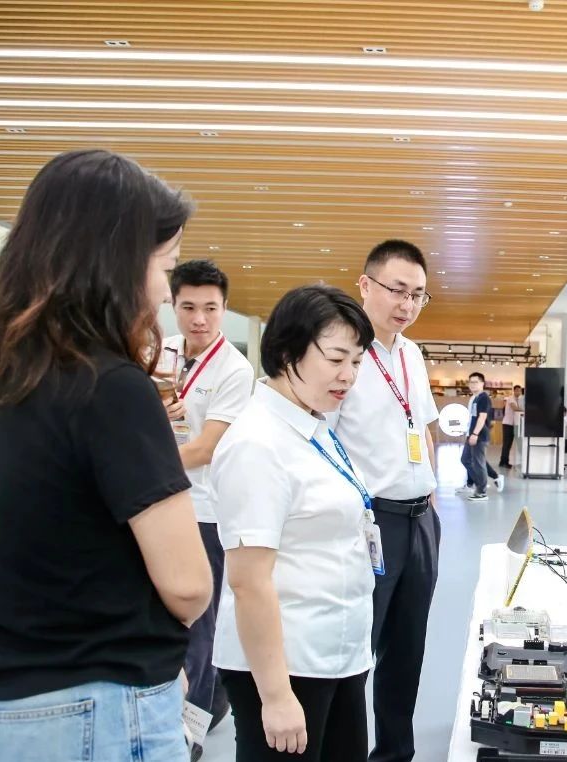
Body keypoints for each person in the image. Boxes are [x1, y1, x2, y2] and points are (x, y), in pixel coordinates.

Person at [0, 148, 212, 760]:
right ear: (117, 263)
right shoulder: (113, 387)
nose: (164, 292)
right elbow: (188, 586)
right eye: (165, 266)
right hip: (96, 709)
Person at [211, 284, 376, 761]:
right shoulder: (257, 444)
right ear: (287, 353)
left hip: (336, 653)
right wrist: (277, 696)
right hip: (287, 666)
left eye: (357, 361)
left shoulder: (312, 425)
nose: (348, 375)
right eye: (336, 358)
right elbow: (249, 582)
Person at [332, 240, 441, 762]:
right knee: (358, 650)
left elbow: (423, 428)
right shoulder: (343, 353)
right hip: (371, 521)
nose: (407, 304)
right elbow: (323, 441)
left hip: (421, 521)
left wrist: (432, 498)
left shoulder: (412, 353)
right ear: (365, 285)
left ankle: (396, 753)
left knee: (406, 650)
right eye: (397, 290)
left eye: (418, 294)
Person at [160, 259, 254, 754]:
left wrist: (143, 462)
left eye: (211, 308)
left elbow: (206, 448)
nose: (199, 319)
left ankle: (190, 731)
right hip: (160, 505)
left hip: (205, 511)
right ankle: (213, 699)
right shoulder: (159, 352)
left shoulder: (235, 370)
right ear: (173, 305)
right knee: (165, 616)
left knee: (200, 623)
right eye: (189, 307)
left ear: (225, 308)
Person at [459, 372, 494, 501]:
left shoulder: (484, 398)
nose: (472, 385)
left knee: (479, 463)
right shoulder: (475, 398)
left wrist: (475, 434)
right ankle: (479, 484)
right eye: (471, 382)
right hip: (472, 435)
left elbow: (482, 417)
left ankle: (482, 492)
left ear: (482, 383)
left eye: (476, 382)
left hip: (479, 436)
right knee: (465, 459)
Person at [498, 384, 523, 468]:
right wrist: (526, 410)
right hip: (507, 424)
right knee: (507, 444)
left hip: (513, 424)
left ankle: (504, 461)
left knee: (509, 444)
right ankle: (503, 462)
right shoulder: (511, 399)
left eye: (520, 391)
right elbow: (515, 408)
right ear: (514, 391)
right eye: (517, 391)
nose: (518, 392)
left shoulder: (518, 400)